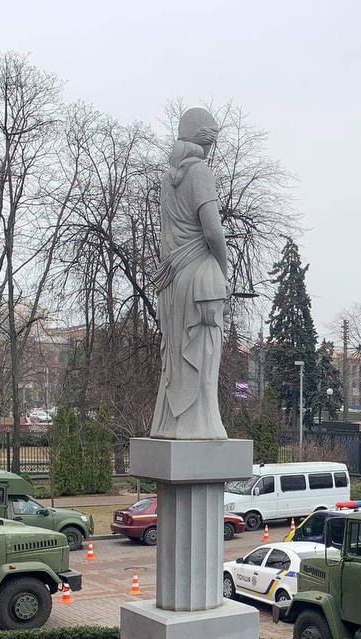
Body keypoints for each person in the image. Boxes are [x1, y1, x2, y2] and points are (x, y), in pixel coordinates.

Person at [149, 107, 229, 440]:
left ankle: (171, 423)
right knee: (203, 351)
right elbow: (212, 230)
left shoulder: (169, 179)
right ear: (203, 138)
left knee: (176, 358)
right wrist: (223, 269)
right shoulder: (199, 172)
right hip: (199, 279)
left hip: (173, 279)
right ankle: (201, 424)